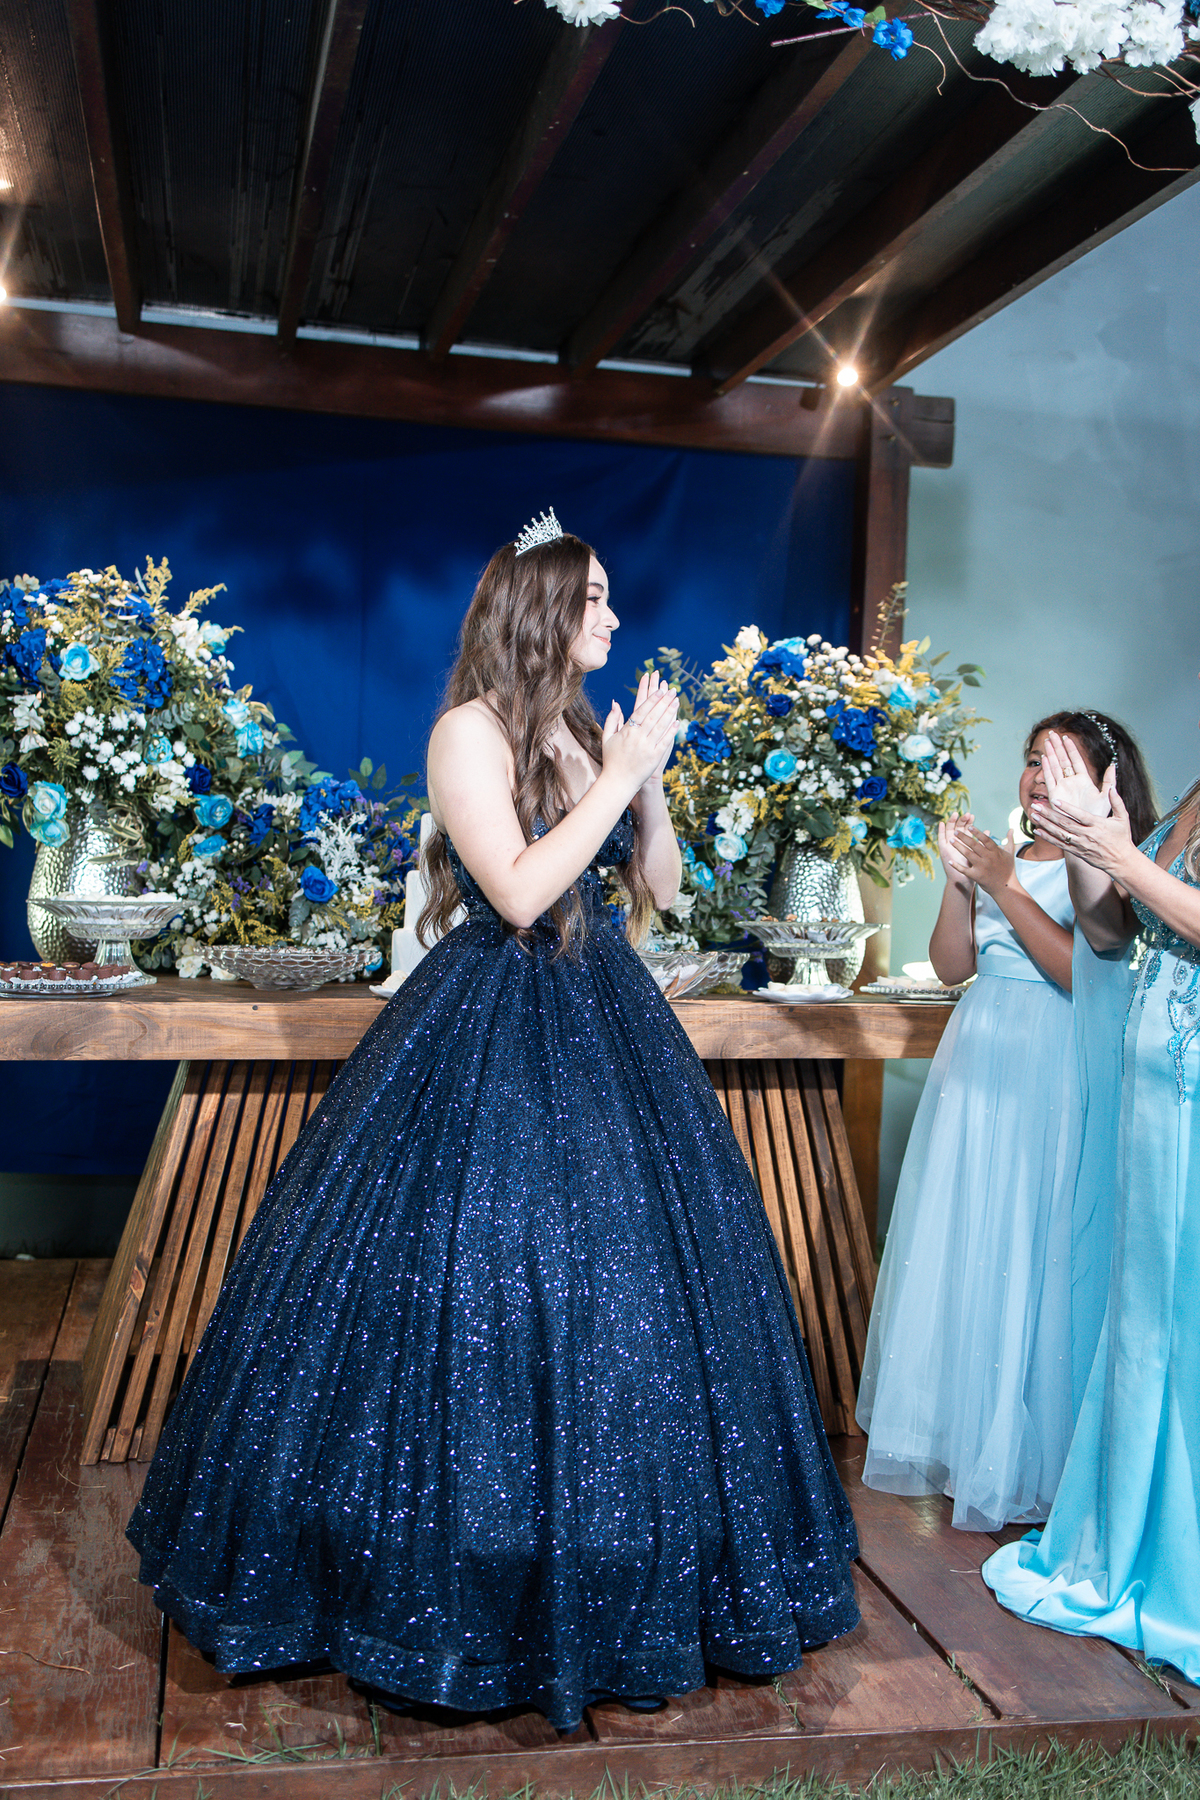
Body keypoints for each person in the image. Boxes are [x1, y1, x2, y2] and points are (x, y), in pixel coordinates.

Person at [127, 510, 861, 1730]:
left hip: (608, 1017)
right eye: (596, 598)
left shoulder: (583, 732)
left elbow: (660, 890)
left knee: (634, 1292)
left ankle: (627, 1566)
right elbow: (518, 893)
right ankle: (444, 1572)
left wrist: (648, 787)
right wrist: (615, 780)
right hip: (490, 1022)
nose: (614, 617)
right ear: (546, 609)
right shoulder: (466, 732)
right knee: (474, 1274)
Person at [856, 712, 1155, 1532]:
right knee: (973, 1235)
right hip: (978, 1060)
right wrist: (961, 884)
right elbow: (953, 965)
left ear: (1104, 782)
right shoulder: (1008, 856)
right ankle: (967, 1435)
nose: (1037, 778)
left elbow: (1081, 973)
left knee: (1034, 1235)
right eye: (1031, 761)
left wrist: (1002, 885)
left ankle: (1034, 1451)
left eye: (1058, 764)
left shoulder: (1103, 868)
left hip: (1049, 1063)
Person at [983, 724, 1200, 1677]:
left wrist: (1120, 855)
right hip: (1151, 1099)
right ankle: (1131, 1540)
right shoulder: (1192, 795)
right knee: (1144, 1325)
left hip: (1193, 1099)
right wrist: (1085, 843)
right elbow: (1111, 935)